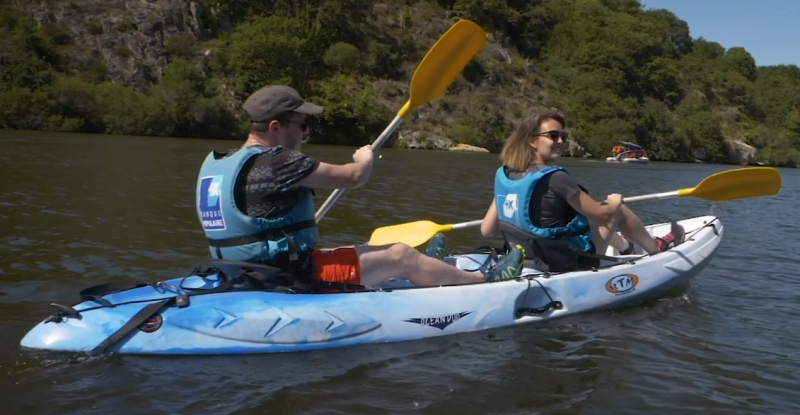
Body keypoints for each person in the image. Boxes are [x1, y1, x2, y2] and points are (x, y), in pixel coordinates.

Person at [194, 84, 526, 288]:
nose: (305, 133)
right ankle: (485, 279)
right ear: (276, 126)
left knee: (370, 248)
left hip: (239, 270)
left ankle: (432, 267)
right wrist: (365, 158)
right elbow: (354, 177)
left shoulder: (219, 164)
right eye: (302, 125)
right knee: (399, 255)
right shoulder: (279, 160)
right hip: (287, 276)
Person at [479, 112, 685, 273]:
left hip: (525, 257)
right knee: (616, 211)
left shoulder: (505, 176)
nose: (561, 141)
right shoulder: (557, 178)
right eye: (553, 136)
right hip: (563, 261)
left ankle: (626, 248)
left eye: (563, 136)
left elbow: (487, 229)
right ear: (532, 141)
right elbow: (603, 215)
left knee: (585, 219)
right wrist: (615, 201)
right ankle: (657, 251)